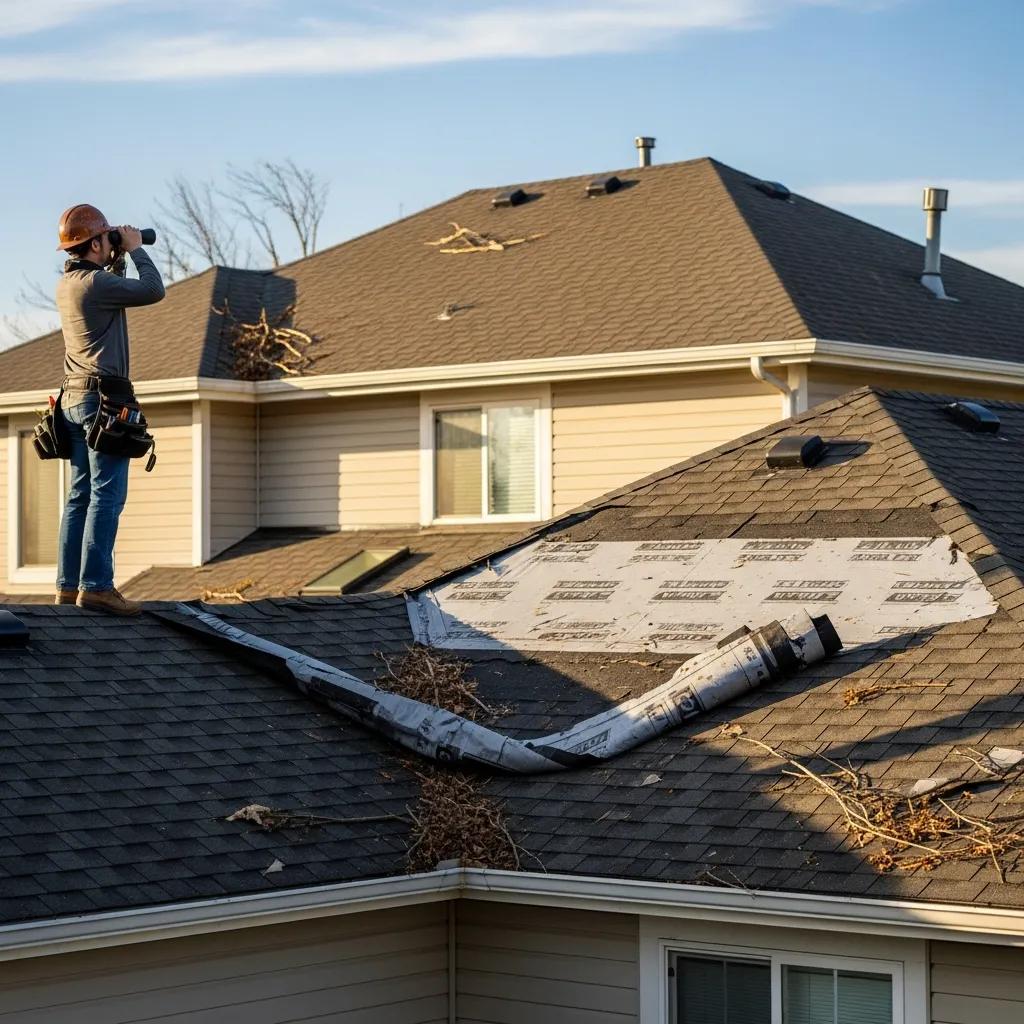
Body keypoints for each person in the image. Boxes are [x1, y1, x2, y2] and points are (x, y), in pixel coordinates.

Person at [54, 204, 165, 615]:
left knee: (79, 495)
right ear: (95, 242)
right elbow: (153, 290)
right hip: (103, 399)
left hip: (73, 399)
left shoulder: (72, 283)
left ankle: (68, 587)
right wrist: (136, 249)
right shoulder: (96, 284)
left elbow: (109, 288)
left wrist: (113, 256)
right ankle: (97, 586)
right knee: (107, 494)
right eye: (106, 237)